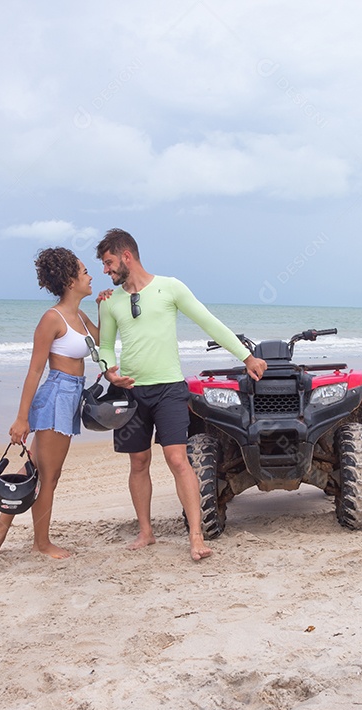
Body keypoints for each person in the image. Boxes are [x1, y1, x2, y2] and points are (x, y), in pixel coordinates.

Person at [95, 229, 267, 561]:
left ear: (126, 256)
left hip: (170, 389)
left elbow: (208, 322)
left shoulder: (170, 287)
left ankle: (196, 536)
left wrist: (246, 357)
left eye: (109, 262)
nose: (106, 270)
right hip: (131, 394)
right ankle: (146, 533)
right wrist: (109, 370)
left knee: (177, 459)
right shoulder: (109, 302)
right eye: (104, 265)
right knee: (139, 461)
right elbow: (105, 346)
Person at [0, 247, 99, 558]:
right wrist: (21, 418)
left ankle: (0, 525)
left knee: (37, 467)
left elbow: (103, 341)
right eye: (84, 270)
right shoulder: (53, 318)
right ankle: (41, 544)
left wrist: (108, 306)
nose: (91, 276)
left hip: (72, 394)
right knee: (50, 475)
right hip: (57, 396)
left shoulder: (81, 317)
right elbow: (35, 370)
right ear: (69, 279)